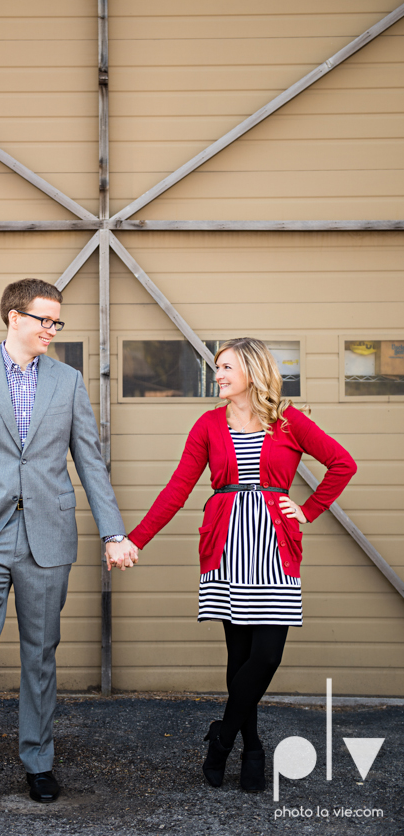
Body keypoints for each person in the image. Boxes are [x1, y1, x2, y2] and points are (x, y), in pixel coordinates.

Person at [0, 278, 138, 811]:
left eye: (57, 322)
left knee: (41, 656)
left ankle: (38, 762)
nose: (52, 330)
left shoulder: (68, 381)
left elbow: (90, 461)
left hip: (49, 537)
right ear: (14, 318)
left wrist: (113, 531)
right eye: (45, 320)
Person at [128, 337, 356, 792]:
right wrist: (136, 540)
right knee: (239, 658)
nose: (219, 375)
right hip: (227, 547)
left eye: (227, 367)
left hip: (275, 548)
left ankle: (223, 737)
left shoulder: (288, 422)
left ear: (252, 370)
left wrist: (307, 511)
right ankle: (253, 747)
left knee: (266, 655)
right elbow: (177, 489)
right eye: (217, 367)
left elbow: (341, 464)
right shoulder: (209, 425)